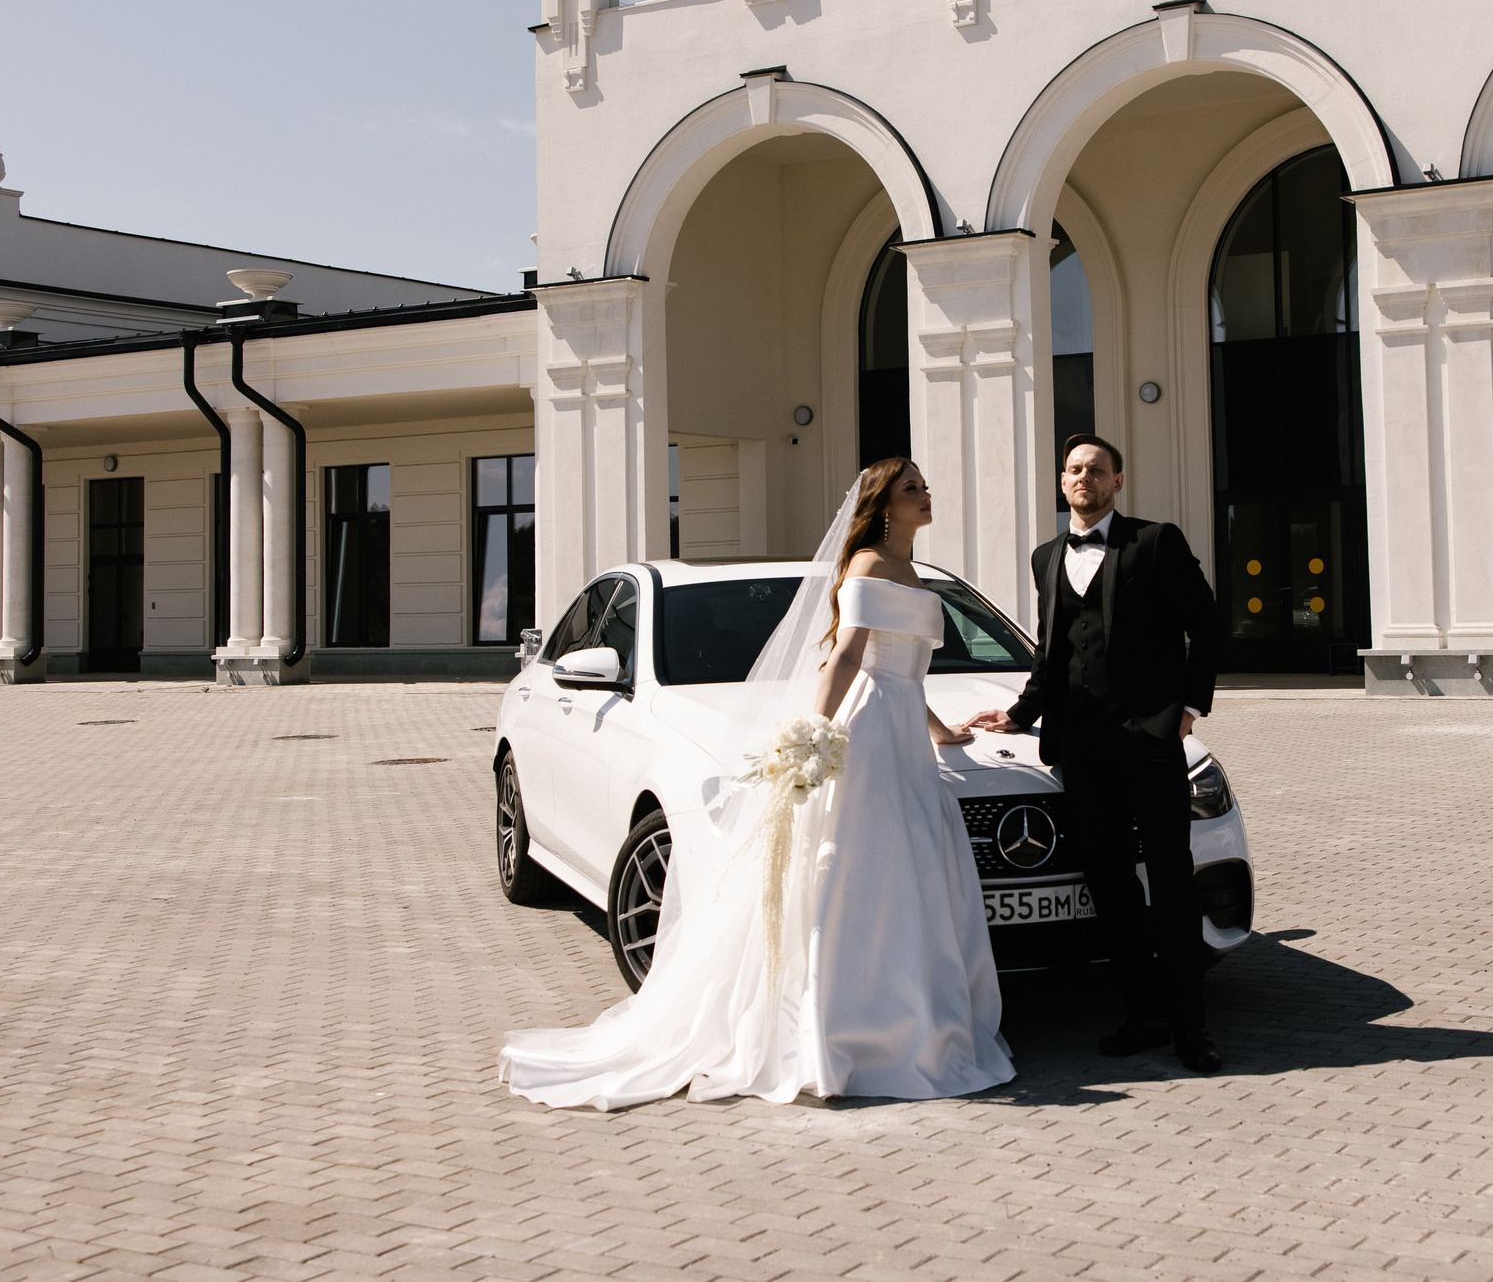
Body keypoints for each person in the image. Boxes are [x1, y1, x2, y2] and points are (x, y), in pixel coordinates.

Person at [498, 458, 1012, 1109]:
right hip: (872, 733)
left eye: (923, 485)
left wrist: (942, 731)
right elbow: (849, 656)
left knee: (903, 870)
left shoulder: (910, 569)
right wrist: (813, 735)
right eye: (911, 488)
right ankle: (852, 1030)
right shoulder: (868, 565)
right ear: (884, 505)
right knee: (865, 869)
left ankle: (910, 1018)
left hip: (904, 729)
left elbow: (905, 673)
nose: (925, 493)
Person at [965, 433, 1224, 1073]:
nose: (1084, 477)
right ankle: (1143, 1016)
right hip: (1079, 747)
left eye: (1097, 469)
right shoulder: (1046, 556)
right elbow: (1053, 651)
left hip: (1149, 741)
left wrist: (1190, 708)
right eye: (1075, 469)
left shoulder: (1154, 541)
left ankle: (1191, 1030)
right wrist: (1019, 715)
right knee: (1109, 885)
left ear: (1117, 481)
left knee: (1170, 884)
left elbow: (1206, 622)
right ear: (1062, 482)